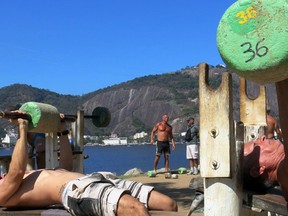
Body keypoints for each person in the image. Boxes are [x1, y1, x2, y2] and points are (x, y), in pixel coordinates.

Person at [0, 111, 178, 216]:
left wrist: (62, 131)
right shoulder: (2, 192)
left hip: (95, 179)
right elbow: (16, 171)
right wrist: (22, 129)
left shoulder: (29, 177)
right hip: (77, 190)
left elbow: (66, 166)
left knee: (169, 204)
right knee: (134, 209)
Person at [243, 78, 288, 201]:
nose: (261, 137)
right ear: (258, 170)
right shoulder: (284, 176)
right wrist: (280, 74)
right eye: (256, 147)